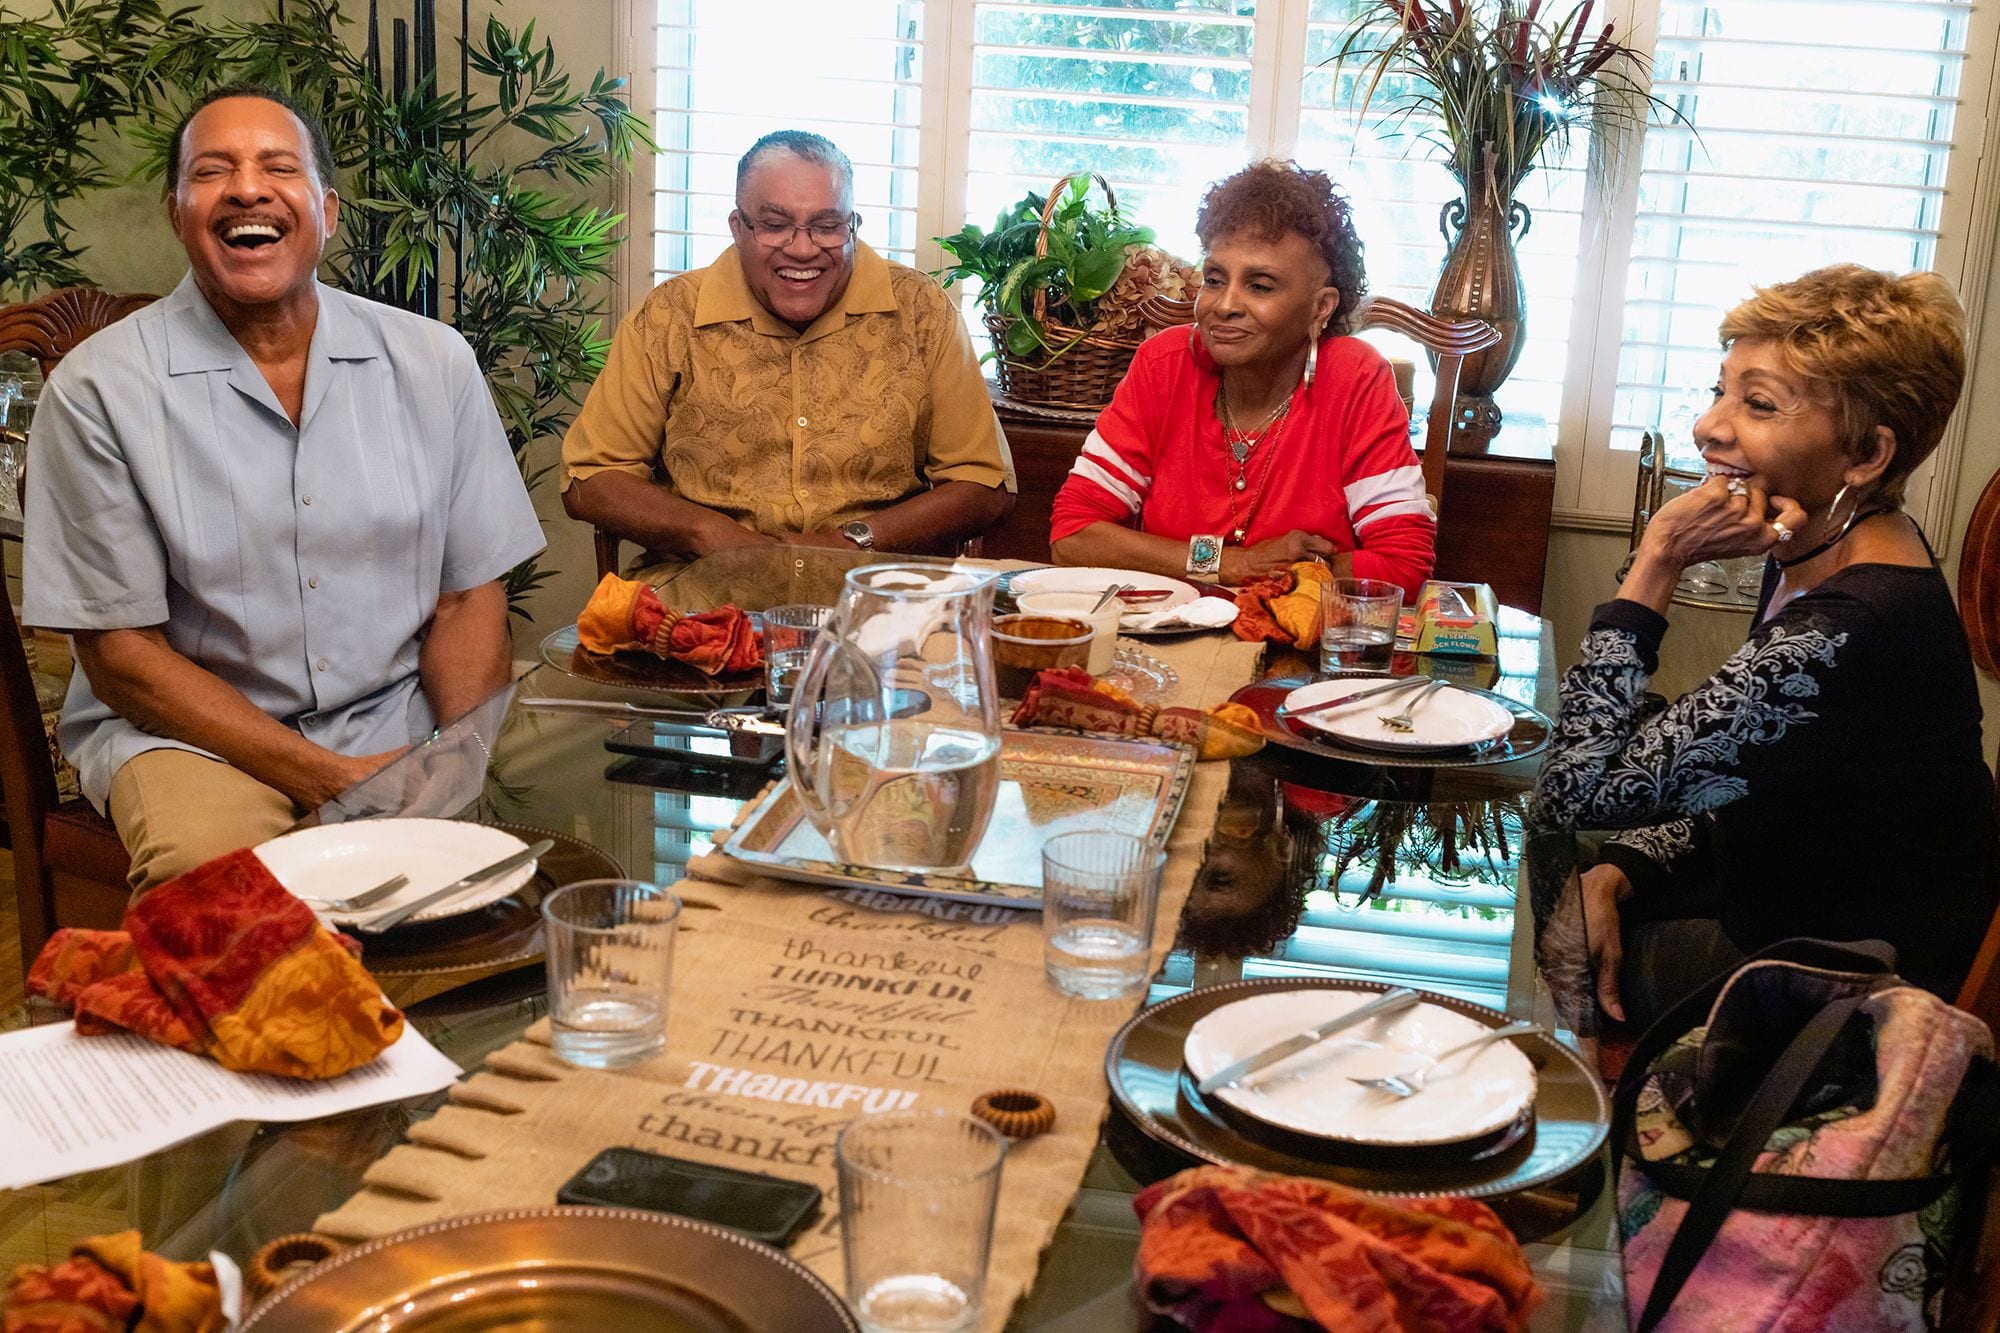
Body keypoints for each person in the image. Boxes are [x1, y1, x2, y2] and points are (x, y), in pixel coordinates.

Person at [22, 83, 543, 892]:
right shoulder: (98, 391)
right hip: (189, 740)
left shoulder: (434, 363)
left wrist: (453, 754)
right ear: (176, 214)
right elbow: (124, 658)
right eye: (212, 171)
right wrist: (328, 776)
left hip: (396, 714)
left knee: (527, 856)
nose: (247, 189)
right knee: (220, 886)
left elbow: (468, 595)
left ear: (327, 210)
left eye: (277, 166)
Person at [1530, 264, 1997, 1028]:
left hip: (1848, 998)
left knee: (1548, 912)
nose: (1708, 427)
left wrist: (1659, 558)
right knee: (1575, 881)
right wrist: (1623, 865)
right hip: (1782, 907)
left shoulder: (1852, 627)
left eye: (1758, 404)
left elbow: (1569, 794)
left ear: (1867, 455)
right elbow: (1749, 779)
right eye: (1721, 391)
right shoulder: (1825, 543)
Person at [561, 131, 1015, 573]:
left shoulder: (922, 310)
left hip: (881, 590)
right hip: (699, 587)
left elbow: (983, 483)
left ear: (853, 227)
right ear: (738, 228)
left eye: (827, 226)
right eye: (775, 225)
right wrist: (707, 533)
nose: (802, 249)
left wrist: (851, 542)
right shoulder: (669, 315)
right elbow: (590, 478)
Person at [1047, 160, 1435, 597]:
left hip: (1295, 638)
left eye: (1260, 286)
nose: (1224, 305)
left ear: (1321, 307)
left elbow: (1402, 565)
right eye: (1215, 279)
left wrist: (1291, 574)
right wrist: (1234, 563)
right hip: (1165, 630)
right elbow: (1073, 535)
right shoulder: (1164, 365)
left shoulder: (1354, 378)